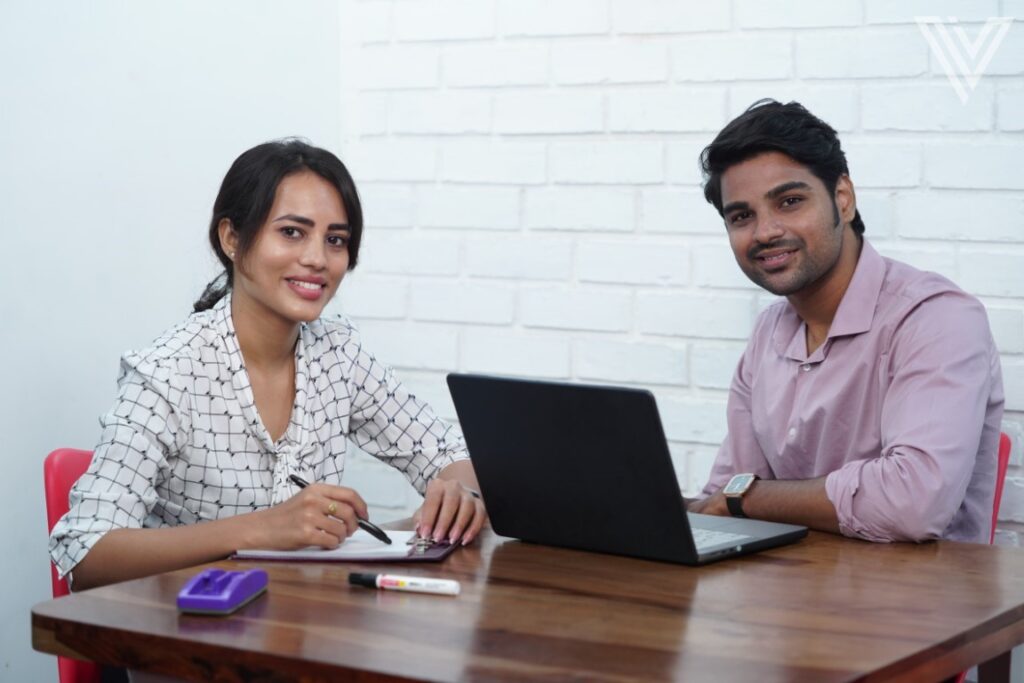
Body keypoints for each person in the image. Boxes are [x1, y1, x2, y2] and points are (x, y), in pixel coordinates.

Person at [50, 139, 486, 590]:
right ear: (232, 238)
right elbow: (85, 554)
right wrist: (264, 528)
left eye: (335, 239)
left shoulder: (339, 355)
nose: (317, 258)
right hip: (182, 636)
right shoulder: (167, 374)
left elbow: (451, 455)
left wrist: (461, 493)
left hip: (298, 627)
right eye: (292, 232)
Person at [688, 100, 1004, 543]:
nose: (764, 232)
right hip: (791, 594)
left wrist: (750, 499)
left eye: (790, 201)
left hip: (923, 603)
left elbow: (915, 502)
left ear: (843, 198)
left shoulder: (936, 318)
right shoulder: (768, 334)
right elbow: (726, 494)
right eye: (741, 216)